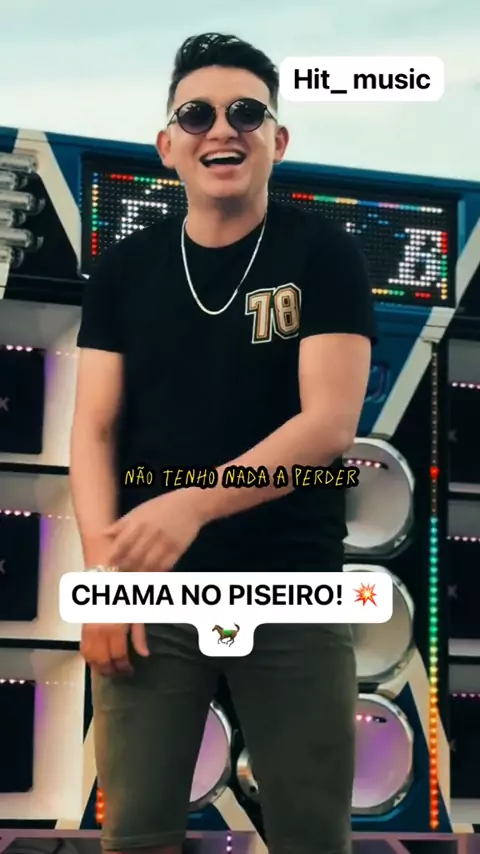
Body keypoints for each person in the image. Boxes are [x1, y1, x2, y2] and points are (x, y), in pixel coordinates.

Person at [70, 32, 376, 854]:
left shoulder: (324, 254)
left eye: (246, 112)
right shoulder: (124, 269)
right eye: (196, 115)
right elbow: (93, 429)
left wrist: (192, 505)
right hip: (151, 589)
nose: (222, 130)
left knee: (313, 836)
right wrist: (105, 582)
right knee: (136, 835)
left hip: (292, 583)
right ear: (167, 146)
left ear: (278, 139)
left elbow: (327, 426)